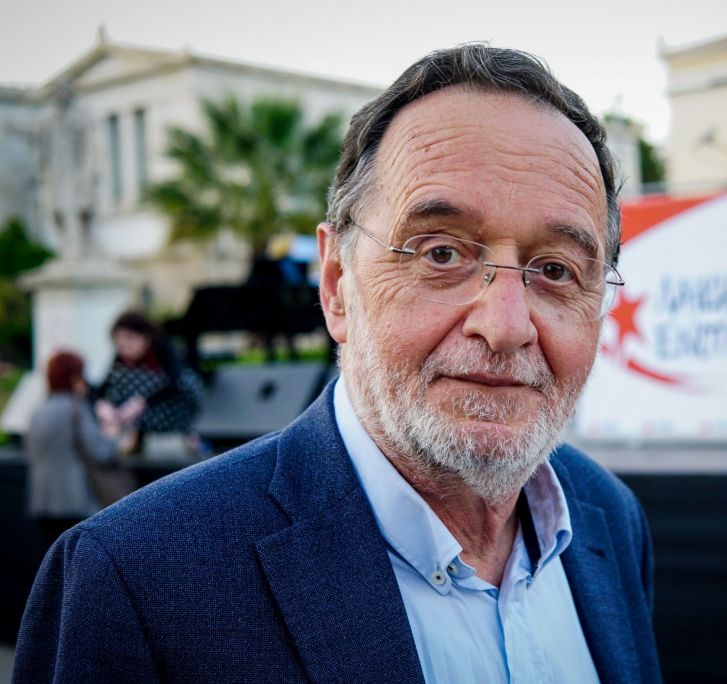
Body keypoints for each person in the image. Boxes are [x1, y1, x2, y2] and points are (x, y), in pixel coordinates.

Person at [15, 45, 661, 683]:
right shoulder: (135, 581)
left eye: (556, 270)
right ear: (335, 284)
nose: (506, 325)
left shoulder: (610, 520)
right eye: (441, 253)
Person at [23, 351, 119, 547]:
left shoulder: (38, 412)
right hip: (75, 499)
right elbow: (101, 452)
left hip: (41, 500)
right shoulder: (76, 409)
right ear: (74, 377)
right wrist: (114, 433)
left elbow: (29, 454)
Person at [94, 311, 203, 450]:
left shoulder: (163, 350)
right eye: (119, 340)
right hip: (135, 416)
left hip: (173, 410)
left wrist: (139, 404)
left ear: (145, 337)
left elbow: (176, 382)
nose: (124, 345)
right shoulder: (122, 358)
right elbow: (105, 386)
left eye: (129, 338)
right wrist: (103, 405)